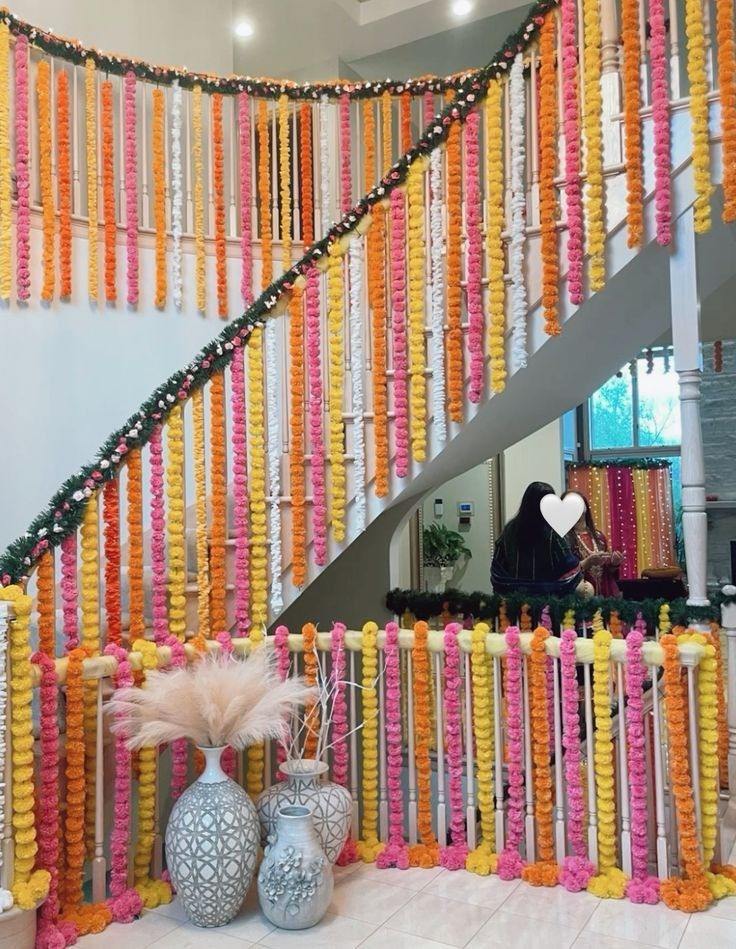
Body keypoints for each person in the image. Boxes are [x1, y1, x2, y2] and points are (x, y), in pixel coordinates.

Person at [491, 482, 582, 596]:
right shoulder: (553, 531)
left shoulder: (510, 529)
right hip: (549, 601)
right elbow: (570, 568)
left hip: (515, 599)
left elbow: (498, 567)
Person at [564, 491, 622, 597]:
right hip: (580, 597)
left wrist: (614, 563)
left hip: (605, 596)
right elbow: (563, 574)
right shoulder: (563, 539)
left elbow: (607, 572)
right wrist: (587, 563)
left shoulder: (599, 537)